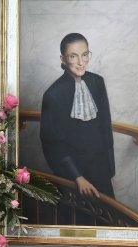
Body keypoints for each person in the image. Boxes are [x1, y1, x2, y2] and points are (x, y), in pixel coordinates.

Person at [40, 33, 115, 199]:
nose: (81, 62)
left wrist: (110, 173)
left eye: (85, 54)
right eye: (74, 56)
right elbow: (52, 145)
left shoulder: (97, 82)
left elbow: (105, 129)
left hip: (101, 168)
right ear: (63, 59)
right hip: (72, 174)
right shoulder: (53, 95)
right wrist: (77, 177)